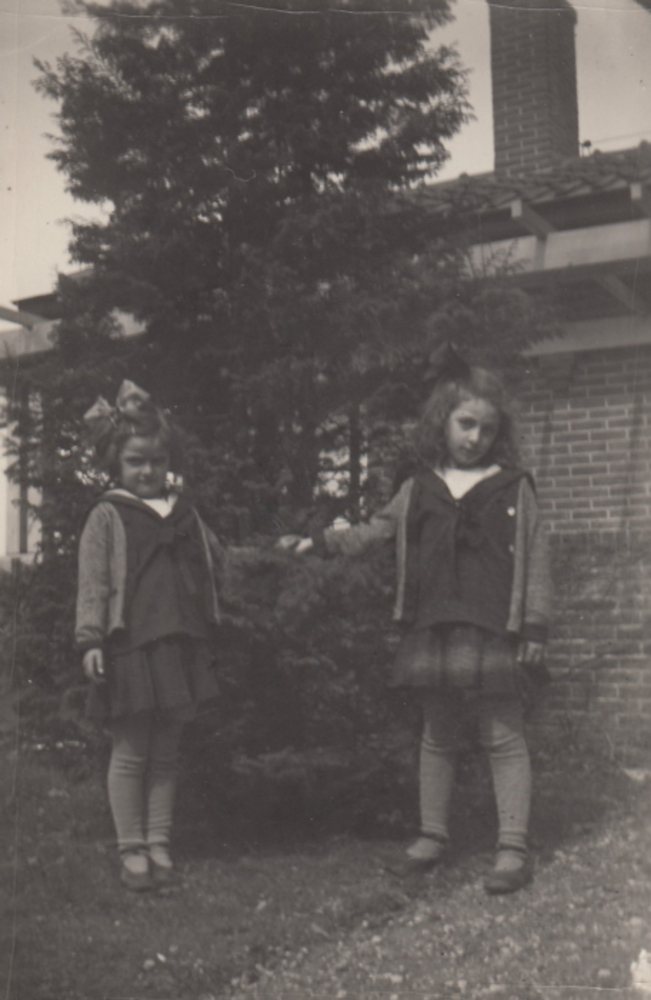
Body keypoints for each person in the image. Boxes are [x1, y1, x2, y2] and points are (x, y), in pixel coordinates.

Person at [280, 349, 552, 894]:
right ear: (442, 422)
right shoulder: (421, 487)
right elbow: (376, 530)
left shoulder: (513, 486)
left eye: (486, 428)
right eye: (465, 423)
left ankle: (512, 849)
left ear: (499, 433)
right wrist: (317, 542)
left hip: (494, 626)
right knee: (438, 733)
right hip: (435, 624)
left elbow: (538, 556)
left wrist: (535, 626)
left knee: (502, 734)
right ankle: (431, 837)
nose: (474, 437)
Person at [76, 380, 223, 891]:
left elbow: (213, 561)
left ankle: (159, 842)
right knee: (132, 749)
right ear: (116, 463)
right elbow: (93, 582)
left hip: (178, 643)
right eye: (136, 461)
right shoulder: (108, 514)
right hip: (131, 647)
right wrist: (91, 640)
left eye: (157, 461)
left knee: (166, 751)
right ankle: (131, 847)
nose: (147, 471)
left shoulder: (184, 512)